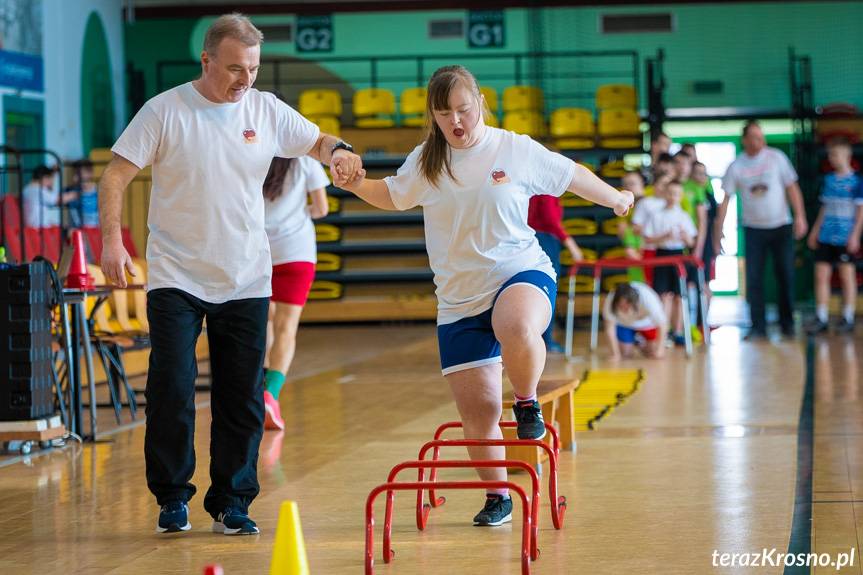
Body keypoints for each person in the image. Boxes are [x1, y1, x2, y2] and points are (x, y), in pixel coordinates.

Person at [98, 13, 362, 536]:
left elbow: (318, 141)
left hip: (246, 276)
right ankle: (172, 498)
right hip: (176, 275)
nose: (246, 79)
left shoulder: (266, 109)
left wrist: (341, 152)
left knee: (241, 394)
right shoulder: (165, 110)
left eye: (254, 68)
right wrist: (111, 241)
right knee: (172, 388)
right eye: (236, 68)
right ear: (207, 60)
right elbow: (115, 175)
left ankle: (232, 501)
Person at [339, 65, 634, 527]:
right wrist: (355, 183)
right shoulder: (426, 160)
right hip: (458, 299)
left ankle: (527, 401)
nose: (456, 121)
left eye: (463, 109)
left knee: (513, 324)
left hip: (520, 270)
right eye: (444, 113)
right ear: (433, 116)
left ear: (480, 103)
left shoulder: (512, 148)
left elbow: (570, 173)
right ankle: (498, 496)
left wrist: (615, 197)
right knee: (478, 411)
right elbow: (393, 195)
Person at [715, 120, 808, 339]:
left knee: (785, 274)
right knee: (754, 278)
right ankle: (758, 327)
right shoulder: (736, 166)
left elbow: (792, 187)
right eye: (755, 137)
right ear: (745, 140)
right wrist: (719, 229)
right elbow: (725, 199)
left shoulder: (776, 157)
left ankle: (787, 324)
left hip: (781, 225)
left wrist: (800, 216)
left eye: (761, 136)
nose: (760, 141)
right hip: (753, 229)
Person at [261, 155, 330, 430]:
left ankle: (258, 386)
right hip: (296, 250)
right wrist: (300, 212)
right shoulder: (305, 161)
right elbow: (321, 208)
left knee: (264, 320)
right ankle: (270, 393)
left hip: (259, 250)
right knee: (286, 327)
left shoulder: (256, 153)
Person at [805, 138, 863, 334]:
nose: (832, 158)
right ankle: (821, 317)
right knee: (821, 275)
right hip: (826, 235)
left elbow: (860, 211)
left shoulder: (857, 181)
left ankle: (848, 316)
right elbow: (825, 208)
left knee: (847, 276)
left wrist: (855, 235)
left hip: (845, 236)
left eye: (835, 154)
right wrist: (815, 231)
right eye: (830, 155)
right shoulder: (828, 180)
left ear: (847, 155)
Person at [642, 179, 697, 342]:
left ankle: (678, 331)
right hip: (662, 254)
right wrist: (664, 237)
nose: (673, 197)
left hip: (679, 255)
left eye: (676, 194)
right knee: (664, 295)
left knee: (680, 296)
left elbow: (691, 242)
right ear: (665, 194)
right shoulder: (656, 215)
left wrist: (685, 237)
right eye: (670, 193)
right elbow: (647, 239)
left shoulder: (684, 216)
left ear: (681, 196)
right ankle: (663, 331)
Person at [527, 193, 583, 353]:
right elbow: (550, 220)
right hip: (545, 240)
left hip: (531, 238)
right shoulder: (547, 190)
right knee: (547, 290)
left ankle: (538, 340)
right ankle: (546, 341)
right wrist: (572, 245)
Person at [603, 281, 668, 360]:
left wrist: (660, 350)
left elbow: (662, 324)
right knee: (625, 353)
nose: (624, 309)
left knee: (653, 350)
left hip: (647, 325)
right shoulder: (611, 299)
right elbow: (609, 328)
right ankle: (634, 341)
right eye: (621, 306)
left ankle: (640, 343)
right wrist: (615, 354)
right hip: (624, 325)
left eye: (627, 306)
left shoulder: (648, 297)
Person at [65, 159, 99, 228]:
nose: (74, 178)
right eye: (74, 174)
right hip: (78, 232)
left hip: (96, 231)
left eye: (78, 174)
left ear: (90, 173)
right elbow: (54, 200)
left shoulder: (100, 192)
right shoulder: (71, 192)